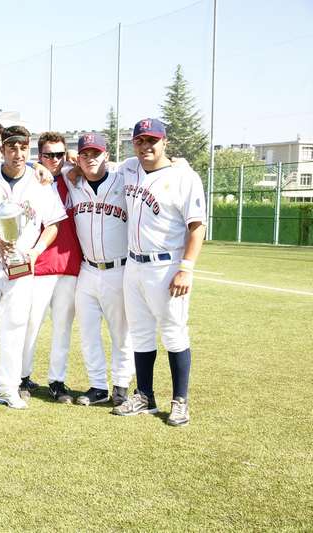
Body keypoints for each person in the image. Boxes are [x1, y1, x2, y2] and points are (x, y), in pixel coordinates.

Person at [0, 126, 67, 413]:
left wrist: (36, 251)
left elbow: (52, 225)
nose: (17, 153)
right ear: (3, 150)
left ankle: (8, 388)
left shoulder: (41, 181)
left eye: (23, 148)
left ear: (28, 149)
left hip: (21, 266)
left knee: (16, 328)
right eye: (11, 148)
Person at [112, 118, 206, 427]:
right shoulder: (128, 167)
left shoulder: (184, 176)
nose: (146, 146)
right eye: (140, 141)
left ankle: (180, 401)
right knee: (139, 331)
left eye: (152, 140)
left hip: (167, 266)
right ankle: (145, 396)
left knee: (174, 331)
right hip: (134, 264)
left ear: (165, 142)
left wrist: (186, 269)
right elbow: (87, 162)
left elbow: (197, 227)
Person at [65, 133, 134, 407]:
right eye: (85, 154)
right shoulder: (74, 182)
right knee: (88, 332)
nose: (90, 158)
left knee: (121, 332)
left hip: (119, 268)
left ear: (106, 155)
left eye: (96, 153)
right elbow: (44, 166)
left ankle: (121, 385)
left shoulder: (123, 180)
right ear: (78, 157)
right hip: (87, 270)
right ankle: (97, 386)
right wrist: (71, 166)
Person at [20, 132, 82, 403]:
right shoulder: (32, 178)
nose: (54, 160)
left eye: (59, 154)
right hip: (39, 262)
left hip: (70, 264)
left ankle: (57, 381)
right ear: (39, 155)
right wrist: (36, 166)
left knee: (62, 327)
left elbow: (103, 166)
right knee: (29, 325)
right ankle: (22, 377)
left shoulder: (74, 176)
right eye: (48, 154)